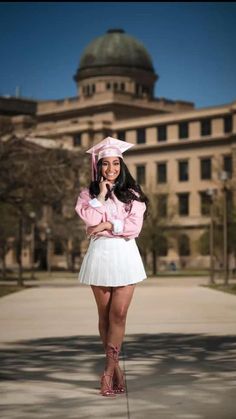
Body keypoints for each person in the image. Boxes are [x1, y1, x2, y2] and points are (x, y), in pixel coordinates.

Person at [75, 136, 148, 397]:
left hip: (125, 256)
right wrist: (102, 197)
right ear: (98, 167)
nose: (111, 169)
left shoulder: (134, 194)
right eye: (106, 164)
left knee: (119, 315)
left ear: (122, 165)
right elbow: (90, 219)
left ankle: (107, 372)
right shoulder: (88, 195)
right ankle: (116, 370)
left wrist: (108, 226)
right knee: (104, 316)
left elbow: (133, 228)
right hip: (100, 256)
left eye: (116, 163)